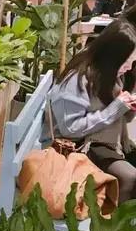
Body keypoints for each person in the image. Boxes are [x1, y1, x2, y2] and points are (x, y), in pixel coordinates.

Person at [44, 20, 136, 203]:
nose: (128, 67)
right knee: (131, 179)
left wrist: (128, 107)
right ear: (112, 56)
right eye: (126, 62)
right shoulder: (78, 78)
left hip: (101, 141)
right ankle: (115, 221)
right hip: (78, 146)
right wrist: (116, 107)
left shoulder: (107, 73)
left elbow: (118, 115)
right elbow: (71, 129)